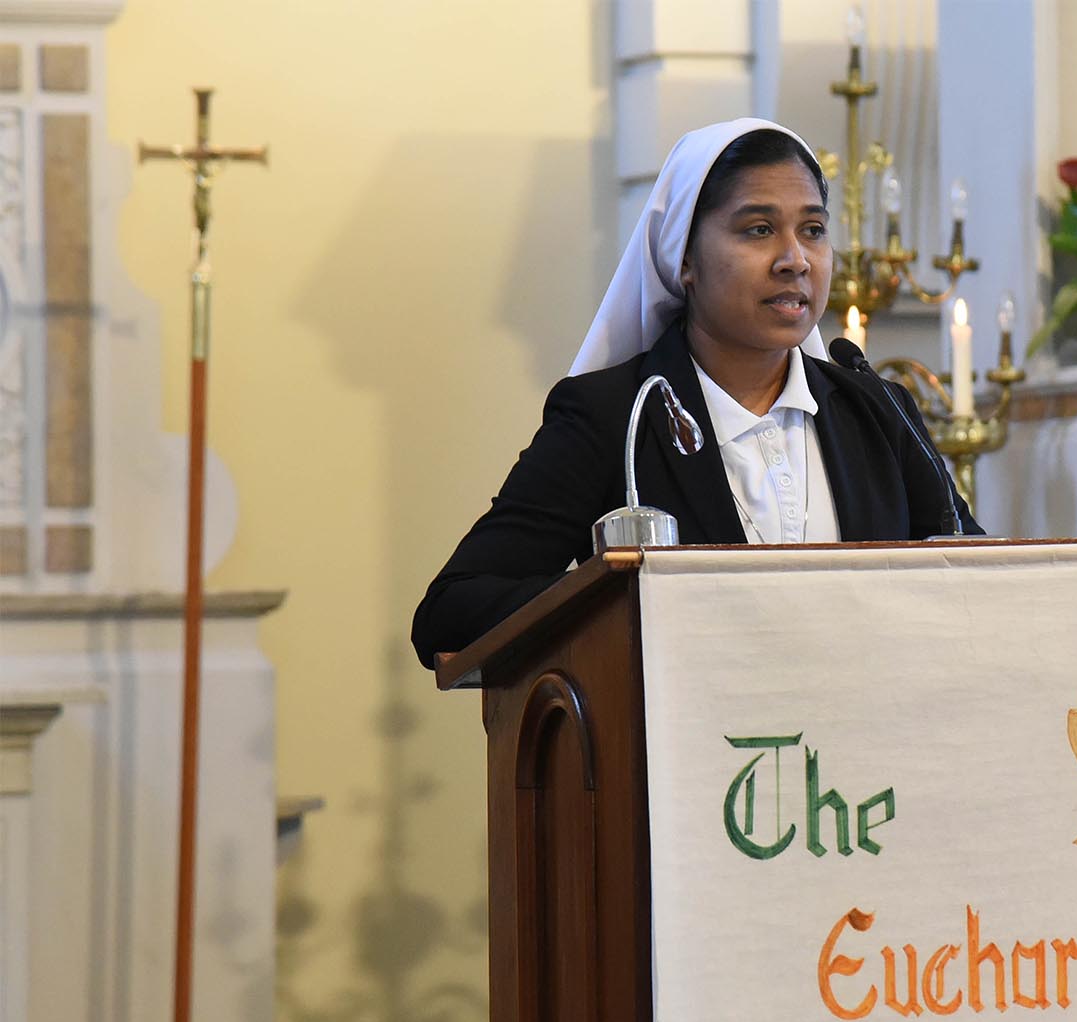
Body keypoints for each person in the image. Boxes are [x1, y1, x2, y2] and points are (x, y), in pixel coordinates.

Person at [411, 118, 980, 668]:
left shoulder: (878, 409)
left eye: (813, 230)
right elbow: (452, 611)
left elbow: (975, 583)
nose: (795, 260)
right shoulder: (613, 416)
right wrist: (634, 602)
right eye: (759, 230)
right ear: (684, 258)